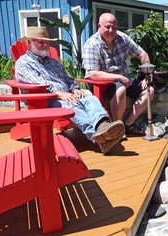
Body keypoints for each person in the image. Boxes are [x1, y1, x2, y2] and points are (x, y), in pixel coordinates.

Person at [14, 26, 124, 155]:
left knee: (91, 98)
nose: (45, 45)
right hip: (43, 101)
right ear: (28, 43)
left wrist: (75, 88)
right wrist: (60, 94)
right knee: (73, 106)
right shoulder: (24, 63)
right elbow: (39, 84)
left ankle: (102, 126)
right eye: (40, 42)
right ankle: (98, 137)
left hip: (67, 95)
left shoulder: (54, 62)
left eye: (47, 42)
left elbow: (68, 79)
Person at [82, 12, 154, 136]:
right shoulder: (91, 45)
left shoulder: (122, 38)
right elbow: (92, 74)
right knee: (120, 90)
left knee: (149, 90)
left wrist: (146, 76)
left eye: (114, 28)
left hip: (124, 79)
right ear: (99, 26)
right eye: (107, 27)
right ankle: (117, 127)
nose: (111, 30)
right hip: (103, 84)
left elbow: (143, 54)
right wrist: (119, 77)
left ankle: (128, 124)